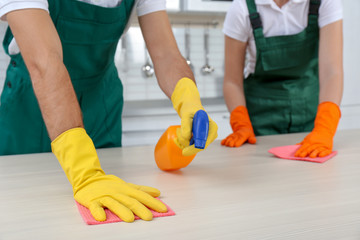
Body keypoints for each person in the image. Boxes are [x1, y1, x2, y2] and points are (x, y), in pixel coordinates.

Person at [0, 0, 218, 222]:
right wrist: (86, 174)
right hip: (32, 108)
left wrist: (188, 99)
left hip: (101, 105)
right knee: (27, 213)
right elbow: (44, 61)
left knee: (113, 217)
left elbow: (166, 53)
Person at [221, 0, 343, 158]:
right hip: (259, 122)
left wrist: (324, 128)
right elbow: (232, 81)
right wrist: (241, 124)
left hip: (311, 118)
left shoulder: (325, 3)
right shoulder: (242, 9)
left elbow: (331, 72)